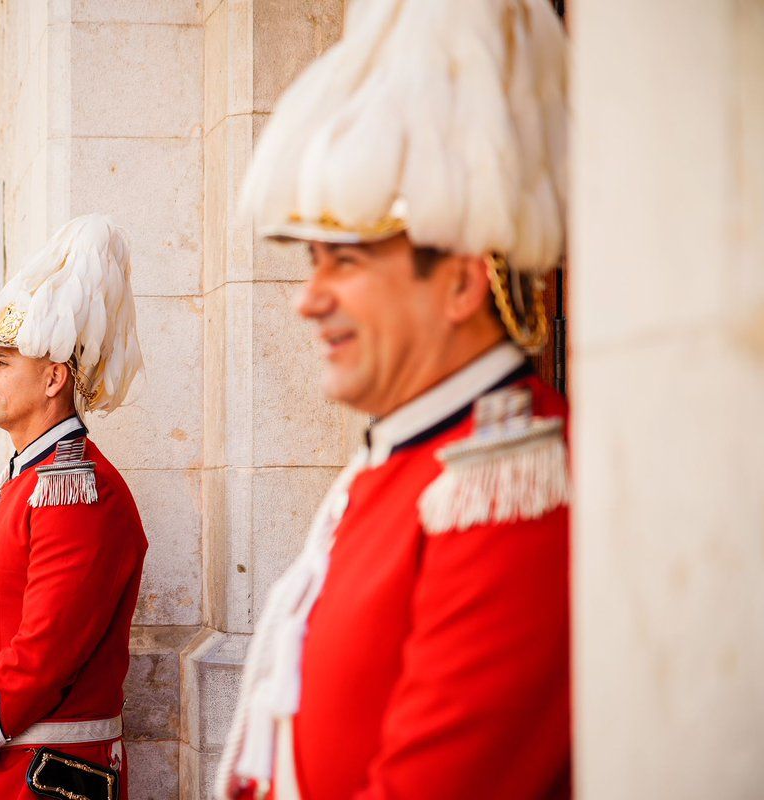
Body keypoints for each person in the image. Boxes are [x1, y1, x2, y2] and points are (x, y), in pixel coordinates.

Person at [216, 2, 571, 798]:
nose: (307, 300)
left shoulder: (506, 490)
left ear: (457, 282)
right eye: (311, 262)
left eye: (343, 262)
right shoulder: (406, 461)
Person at [0, 214, 148, 800]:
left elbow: (44, 654)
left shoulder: (77, 490)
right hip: (4, 764)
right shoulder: (24, 479)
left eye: (2, 362)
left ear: (52, 379)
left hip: (46, 774)